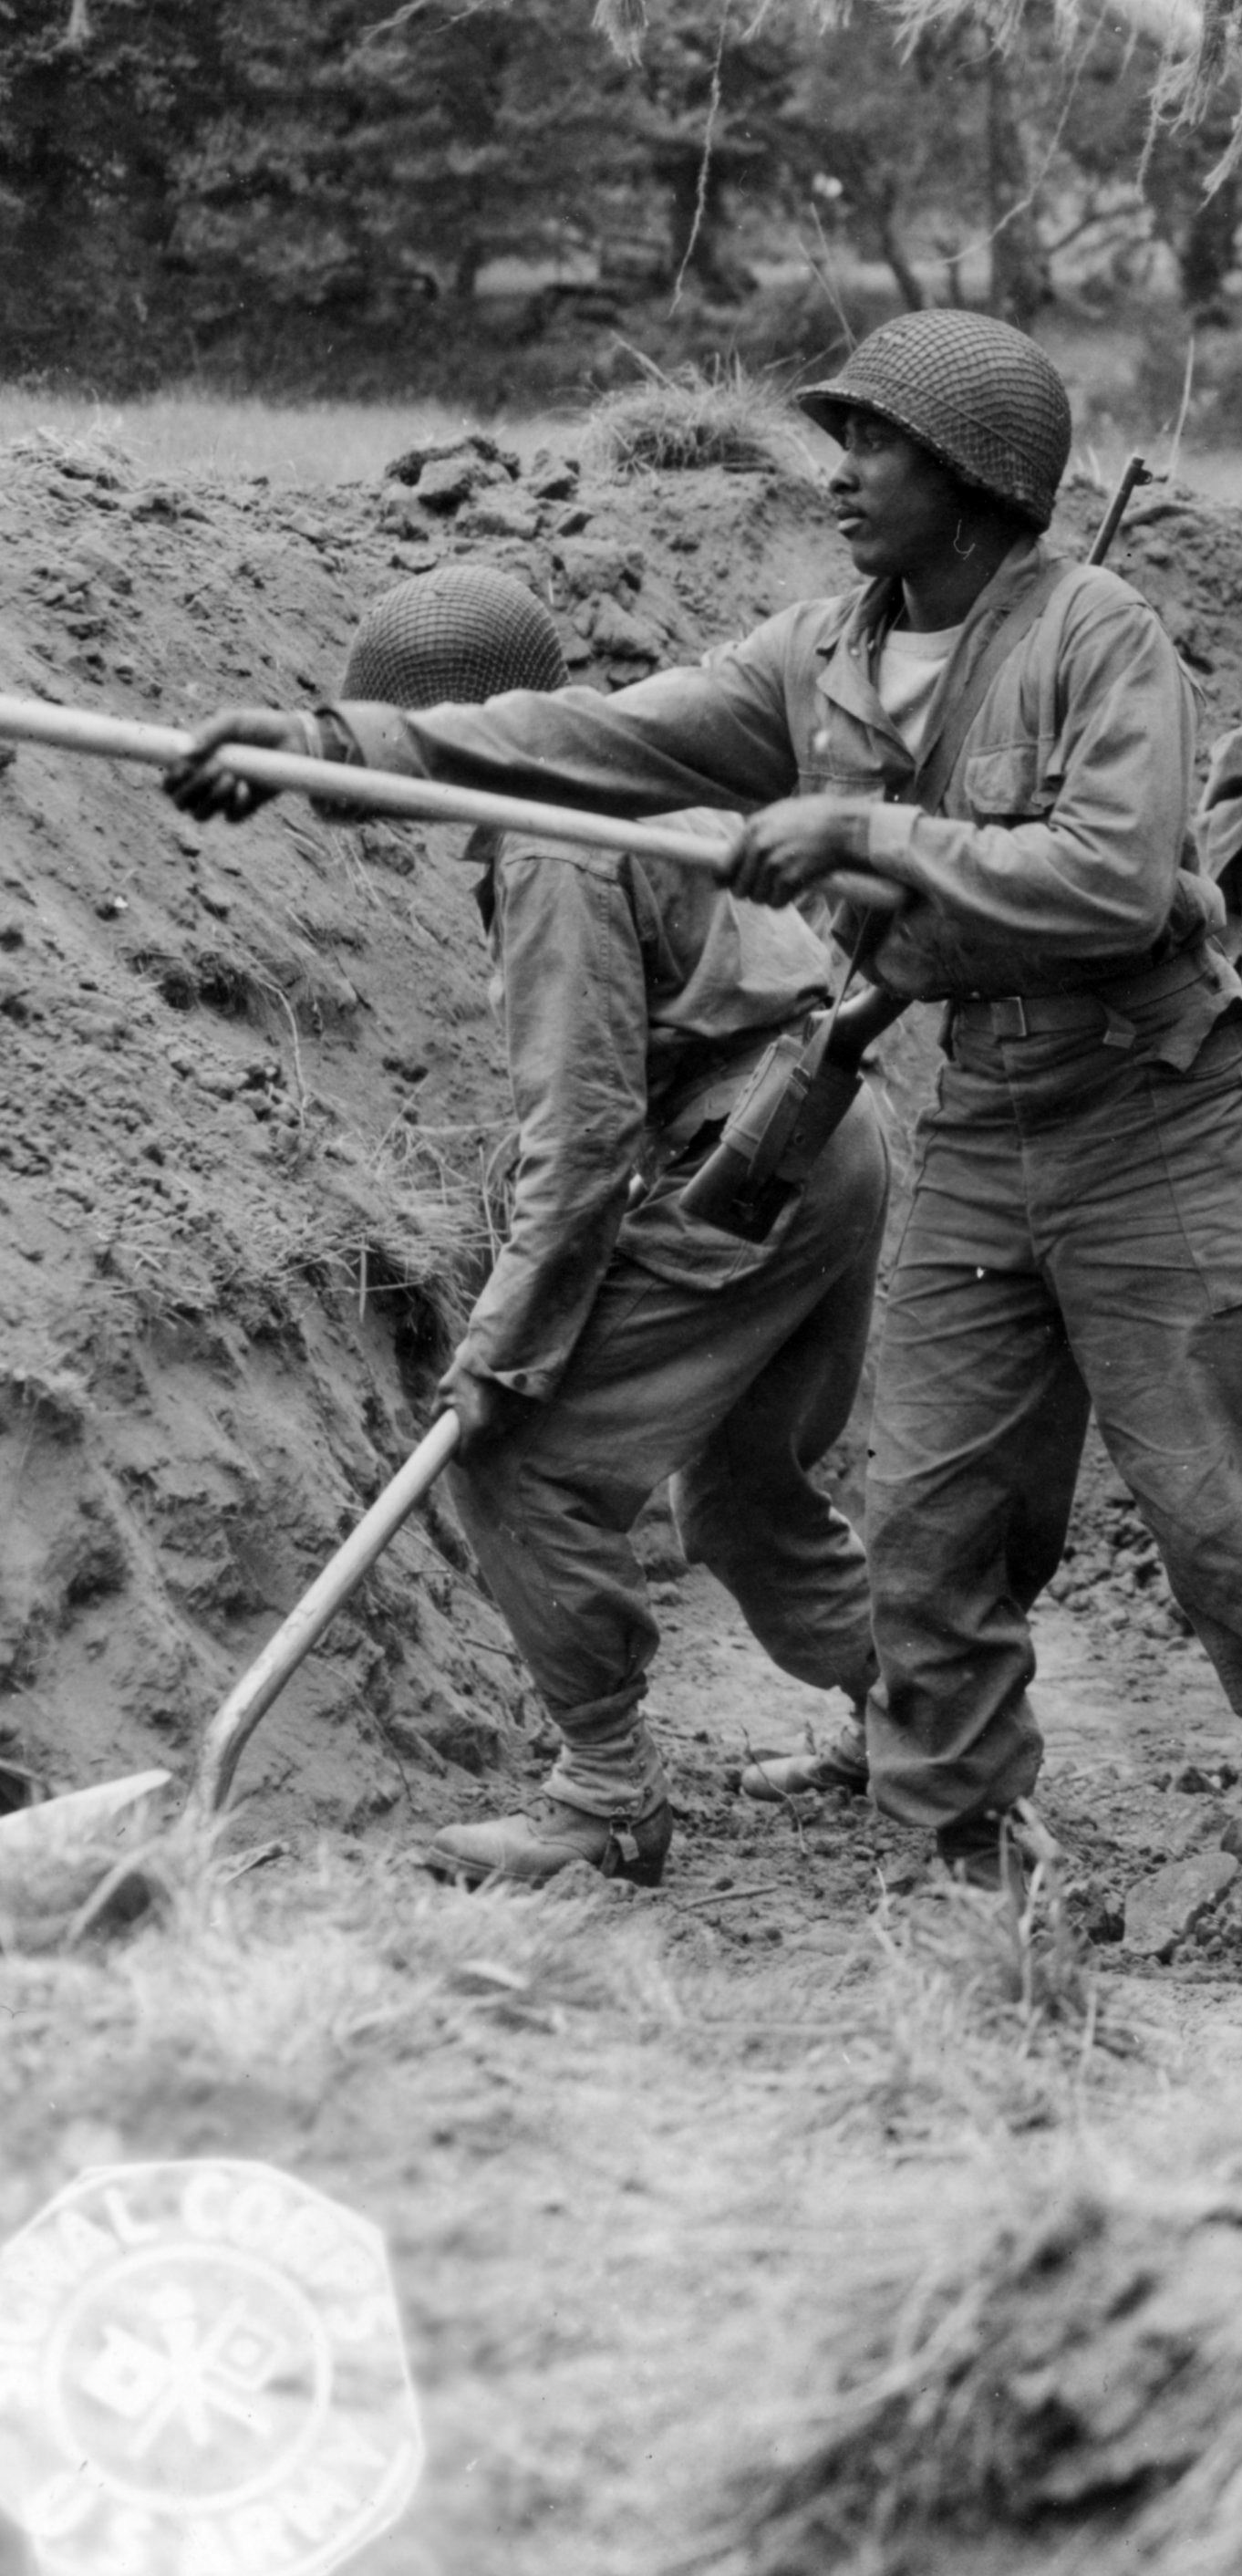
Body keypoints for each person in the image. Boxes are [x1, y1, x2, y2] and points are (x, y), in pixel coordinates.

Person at [174, 314, 1242, 1976]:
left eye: (875, 443)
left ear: (980, 481)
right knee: (931, 1531)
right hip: (984, 1118)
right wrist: (335, 743)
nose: (839, 472)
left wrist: (864, 828)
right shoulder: (816, 657)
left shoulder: (1099, 635)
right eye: (842, 436)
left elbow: (1115, 878)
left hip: (1161, 1118)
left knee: (1228, 1532)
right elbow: (592, 735)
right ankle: (965, 1876)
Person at [323, 565, 888, 1888]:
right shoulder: (618, 780)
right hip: (826, 1133)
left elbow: (575, 1142)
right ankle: (925, 1715)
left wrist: (504, 1348)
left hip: (752, 1158)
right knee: (746, 1494)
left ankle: (606, 1798)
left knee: (516, 1464)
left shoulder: (551, 845)